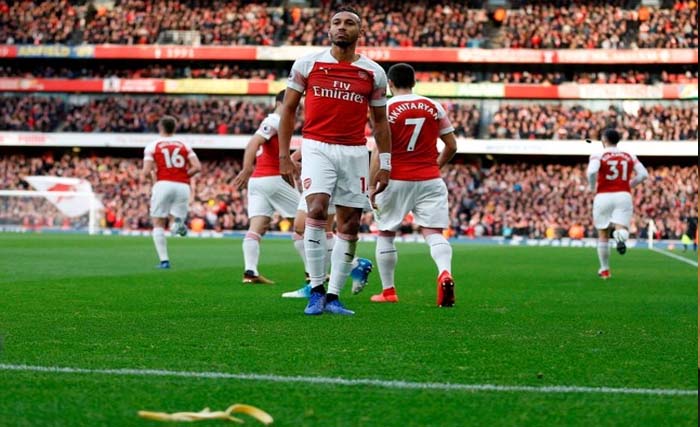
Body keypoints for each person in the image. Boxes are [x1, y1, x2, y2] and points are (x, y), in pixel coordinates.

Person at [278, 5, 392, 315]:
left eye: (349, 23)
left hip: (354, 151)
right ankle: (315, 288)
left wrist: (386, 163)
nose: (342, 27)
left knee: (351, 223)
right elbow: (287, 109)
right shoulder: (308, 64)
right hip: (316, 146)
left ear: (360, 32)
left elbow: (380, 122)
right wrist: (284, 155)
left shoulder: (374, 72)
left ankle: (333, 295)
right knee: (315, 208)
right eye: (337, 22)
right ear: (329, 30)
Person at [369, 63, 458, 307]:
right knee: (433, 233)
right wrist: (436, 166)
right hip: (430, 178)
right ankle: (444, 272)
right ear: (414, 82)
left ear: (390, 83)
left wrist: (370, 183)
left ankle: (388, 291)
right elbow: (452, 146)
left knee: (386, 233)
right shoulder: (433, 106)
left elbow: (378, 150)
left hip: (396, 178)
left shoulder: (385, 108)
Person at [232, 90, 300, 284]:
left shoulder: (276, 121)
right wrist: (246, 168)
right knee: (307, 222)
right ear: (281, 102)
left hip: (258, 181)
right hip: (272, 179)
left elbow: (272, 152)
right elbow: (253, 142)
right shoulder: (275, 120)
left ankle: (250, 272)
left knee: (257, 227)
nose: (297, 106)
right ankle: (312, 274)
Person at [587, 128, 648, 279]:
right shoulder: (629, 155)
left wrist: (591, 187)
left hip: (603, 195)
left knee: (603, 233)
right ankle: (620, 236)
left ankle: (605, 270)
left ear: (604, 140)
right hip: (623, 195)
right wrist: (629, 184)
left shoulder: (598, 154)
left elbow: (591, 172)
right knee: (621, 227)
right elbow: (644, 174)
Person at [143, 115, 201, 269]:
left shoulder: (152, 145)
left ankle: (164, 261)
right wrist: (182, 175)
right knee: (176, 221)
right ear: (175, 128)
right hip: (182, 186)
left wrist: (155, 181)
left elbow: (146, 171)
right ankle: (179, 222)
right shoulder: (184, 144)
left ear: (160, 128)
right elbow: (197, 167)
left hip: (163, 184)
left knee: (158, 222)